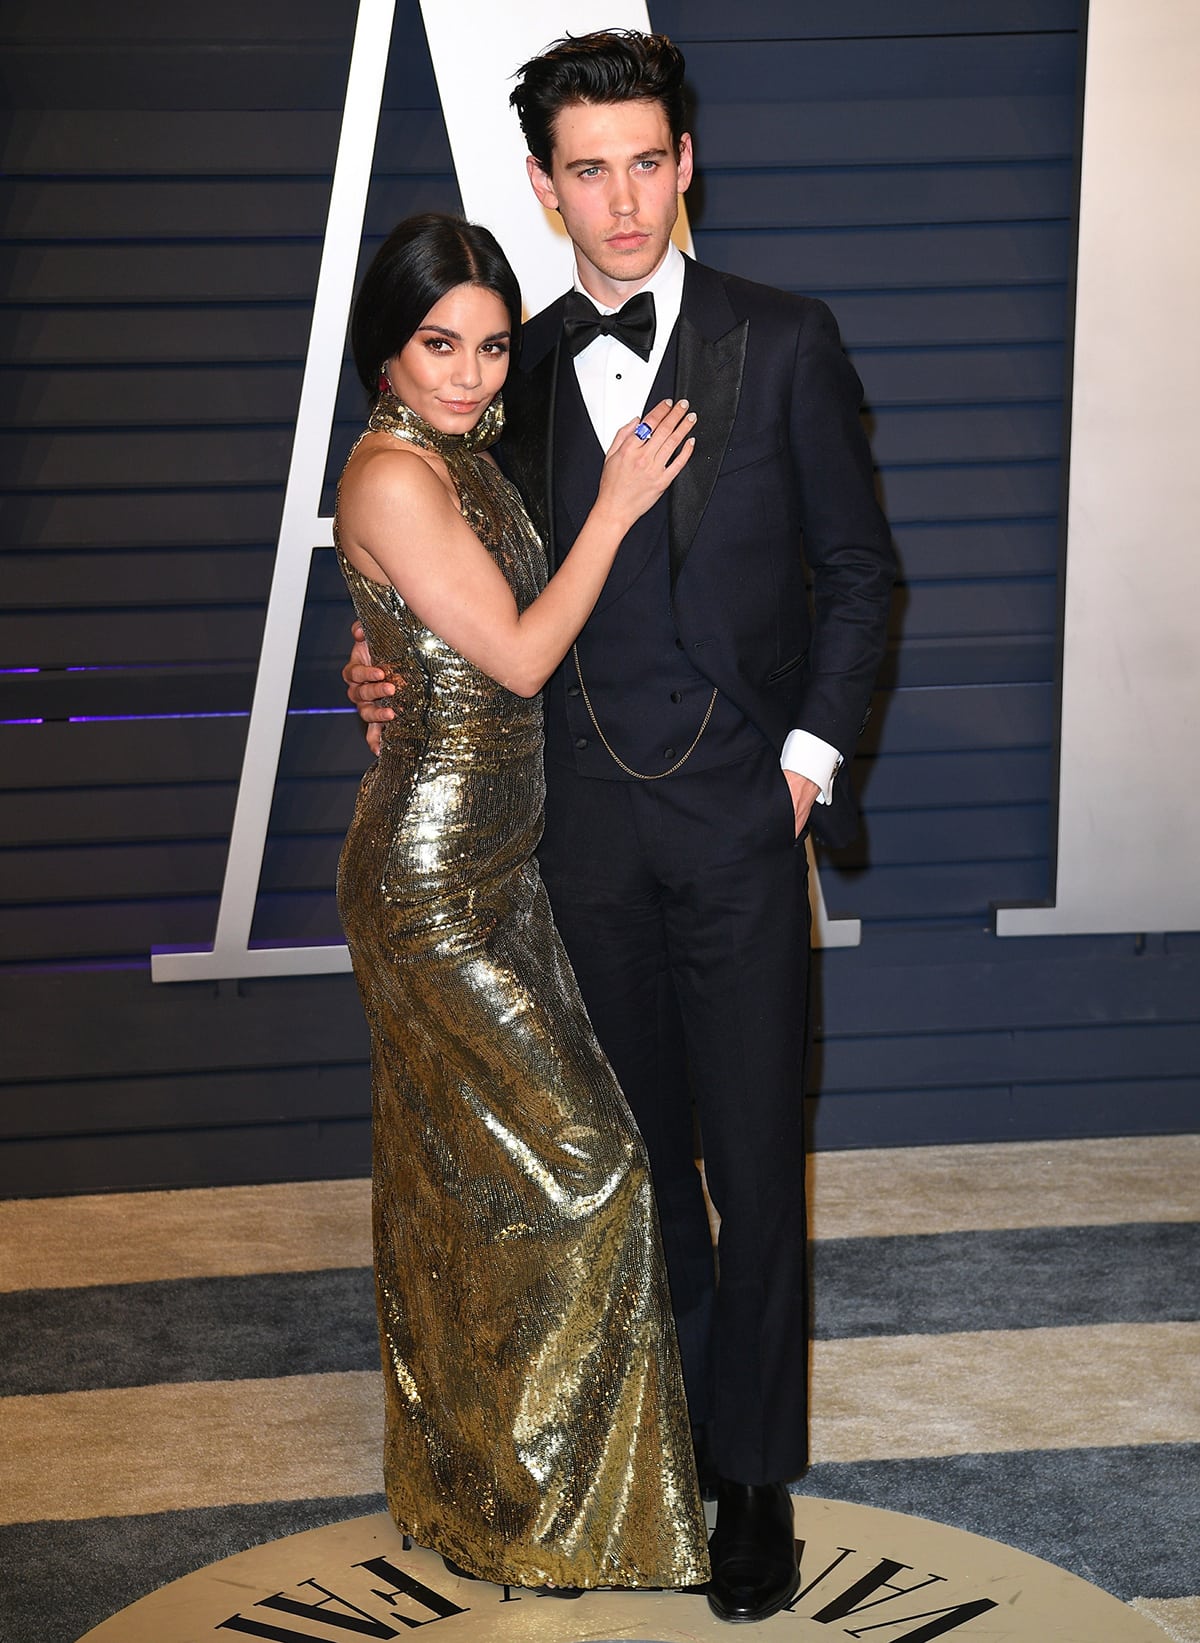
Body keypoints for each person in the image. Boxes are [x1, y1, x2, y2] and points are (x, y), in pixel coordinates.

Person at [345, 31, 896, 1626]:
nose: (624, 196)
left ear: (686, 164)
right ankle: (671, 1457)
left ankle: (758, 1485)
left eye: (649, 160)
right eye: (589, 168)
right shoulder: (494, 381)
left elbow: (861, 578)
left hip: (737, 821)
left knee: (757, 1167)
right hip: (568, 847)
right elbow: (422, 563)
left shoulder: (781, 341)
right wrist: (374, 666)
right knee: (640, 1171)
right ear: (544, 184)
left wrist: (801, 764)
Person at [334, 211, 709, 1595]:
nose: (473, 374)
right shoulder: (396, 472)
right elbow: (522, 658)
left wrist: (370, 667)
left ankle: (476, 1492)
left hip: (499, 869)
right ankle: (554, 1515)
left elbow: (408, 629)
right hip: (432, 887)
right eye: (441, 344)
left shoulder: (445, 462)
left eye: (492, 346)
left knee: (464, 1189)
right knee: (591, 1168)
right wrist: (614, 506)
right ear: (389, 346)